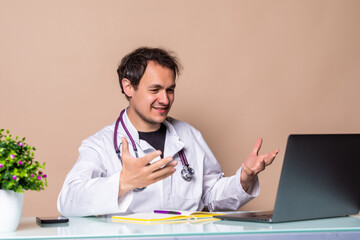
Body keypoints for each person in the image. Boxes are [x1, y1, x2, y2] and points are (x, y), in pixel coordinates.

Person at [57, 47, 279, 217]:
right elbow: (67, 201)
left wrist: (244, 178)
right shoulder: (101, 144)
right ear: (128, 87)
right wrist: (124, 181)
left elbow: (211, 197)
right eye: (155, 90)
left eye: (170, 90)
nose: (165, 100)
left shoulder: (189, 136)